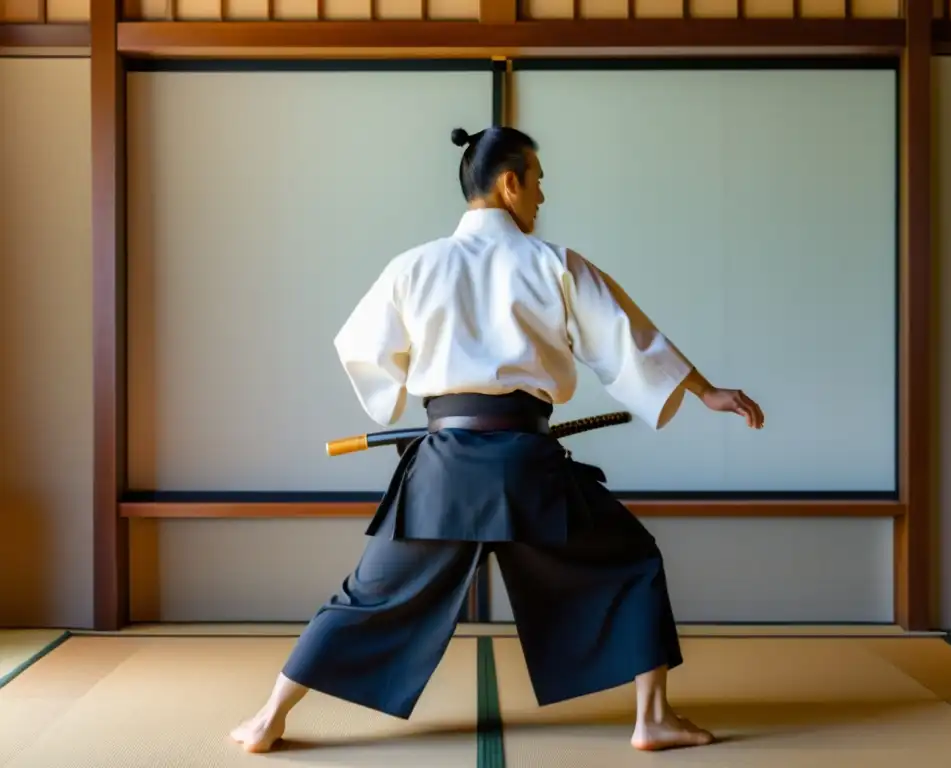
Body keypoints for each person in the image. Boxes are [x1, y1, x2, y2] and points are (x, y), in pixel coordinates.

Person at [231, 125, 764, 754]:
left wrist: (413, 385)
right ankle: (652, 719)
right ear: (509, 183)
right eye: (537, 181)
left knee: (369, 595)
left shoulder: (413, 266)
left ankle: (268, 716)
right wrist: (704, 391)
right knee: (631, 559)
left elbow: (361, 347)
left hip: (443, 468)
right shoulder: (554, 263)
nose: (542, 196)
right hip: (527, 468)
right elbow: (628, 338)